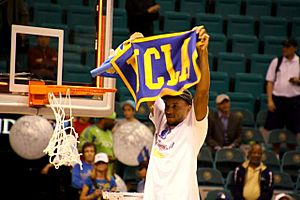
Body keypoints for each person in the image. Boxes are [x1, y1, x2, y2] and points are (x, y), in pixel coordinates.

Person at [128, 26, 210, 199]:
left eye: (175, 105)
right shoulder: (162, 119)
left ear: (189, 108)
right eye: (167, 105)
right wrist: (138, 54)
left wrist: (202, 52)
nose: (169, 110)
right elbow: (146, 87)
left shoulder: (193, 126)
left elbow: (202, 93)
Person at [264, 38, 300, 155]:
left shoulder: (299, 62)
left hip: (294, 101)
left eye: (288, 46)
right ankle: (275, 155)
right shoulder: (277, 61)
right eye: (284, 46)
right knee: (276, 129)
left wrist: (298, 81)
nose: (284, 49)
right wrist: (270, 100)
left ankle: (291, 155)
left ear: (294, 48)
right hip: (277, 99)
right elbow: (270, 82)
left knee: (293, 130)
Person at [79, 112, 117, 177]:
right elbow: (81, 149)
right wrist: (101, 158)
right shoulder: (90, 131)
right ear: (105, 119)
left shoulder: (109, 133)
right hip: (93, 172)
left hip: (108, 173)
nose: (113, 123)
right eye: (112, 121)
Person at [0, 0, 29, 70]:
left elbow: (24, 14)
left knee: (12, 60)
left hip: (12, 32)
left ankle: (12, 77)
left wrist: (22, 29)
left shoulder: (16, 1)